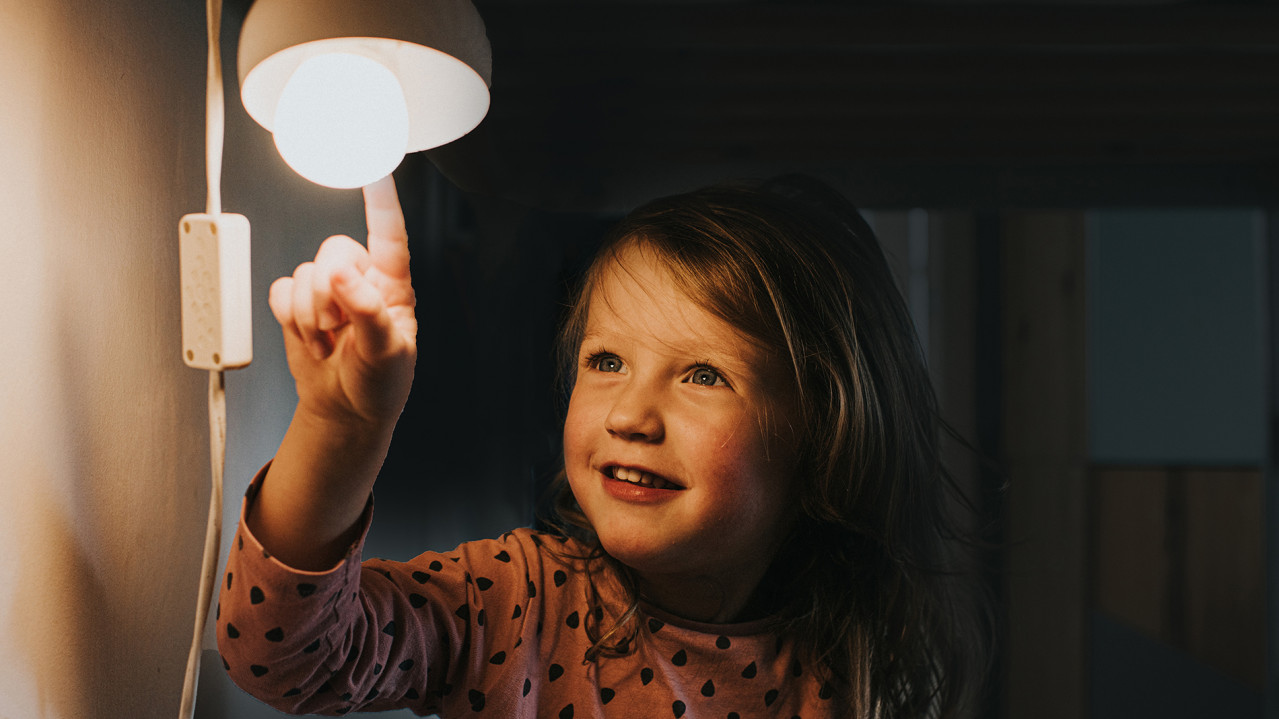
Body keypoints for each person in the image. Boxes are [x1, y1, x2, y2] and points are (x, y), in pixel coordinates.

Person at [217, 174, 993, 718]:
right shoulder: (516, 602)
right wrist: (342, 429)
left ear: (822, 430)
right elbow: (282, 656)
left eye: (701, 374)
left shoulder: (852, 668)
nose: (630, 414)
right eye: (607, 361)